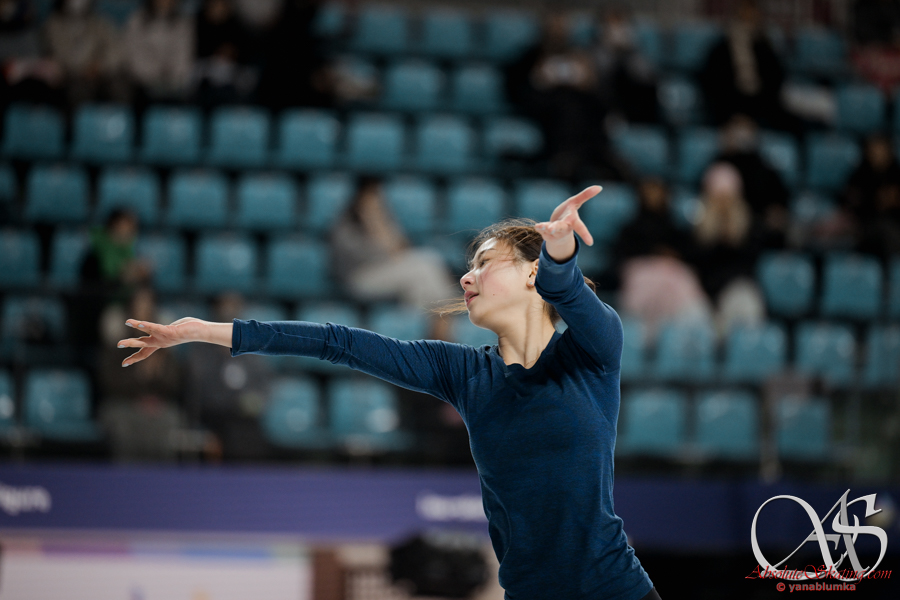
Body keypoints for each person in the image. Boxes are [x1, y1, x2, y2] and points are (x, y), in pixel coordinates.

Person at [116, 185, 663, 600]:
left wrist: (561, 255)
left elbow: (572, 296)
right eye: (467, 268)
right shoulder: (463, 372)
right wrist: (206, 331)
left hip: (614, 589)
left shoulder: (591, 353)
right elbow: (338, 342)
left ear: (530, 274)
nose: (465, 278)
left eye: (483, 263)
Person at [329, 177, 458, 341]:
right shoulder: (345, 227)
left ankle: (429, 325)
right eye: (370, 200)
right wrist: (376, 231)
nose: (375, 203)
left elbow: (402, 248)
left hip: (387, 271)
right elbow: (354, 261)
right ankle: (441, 318)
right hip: (359, 278)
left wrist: (380, 224)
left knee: (427, 265)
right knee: (423, 268)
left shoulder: (383, 220)